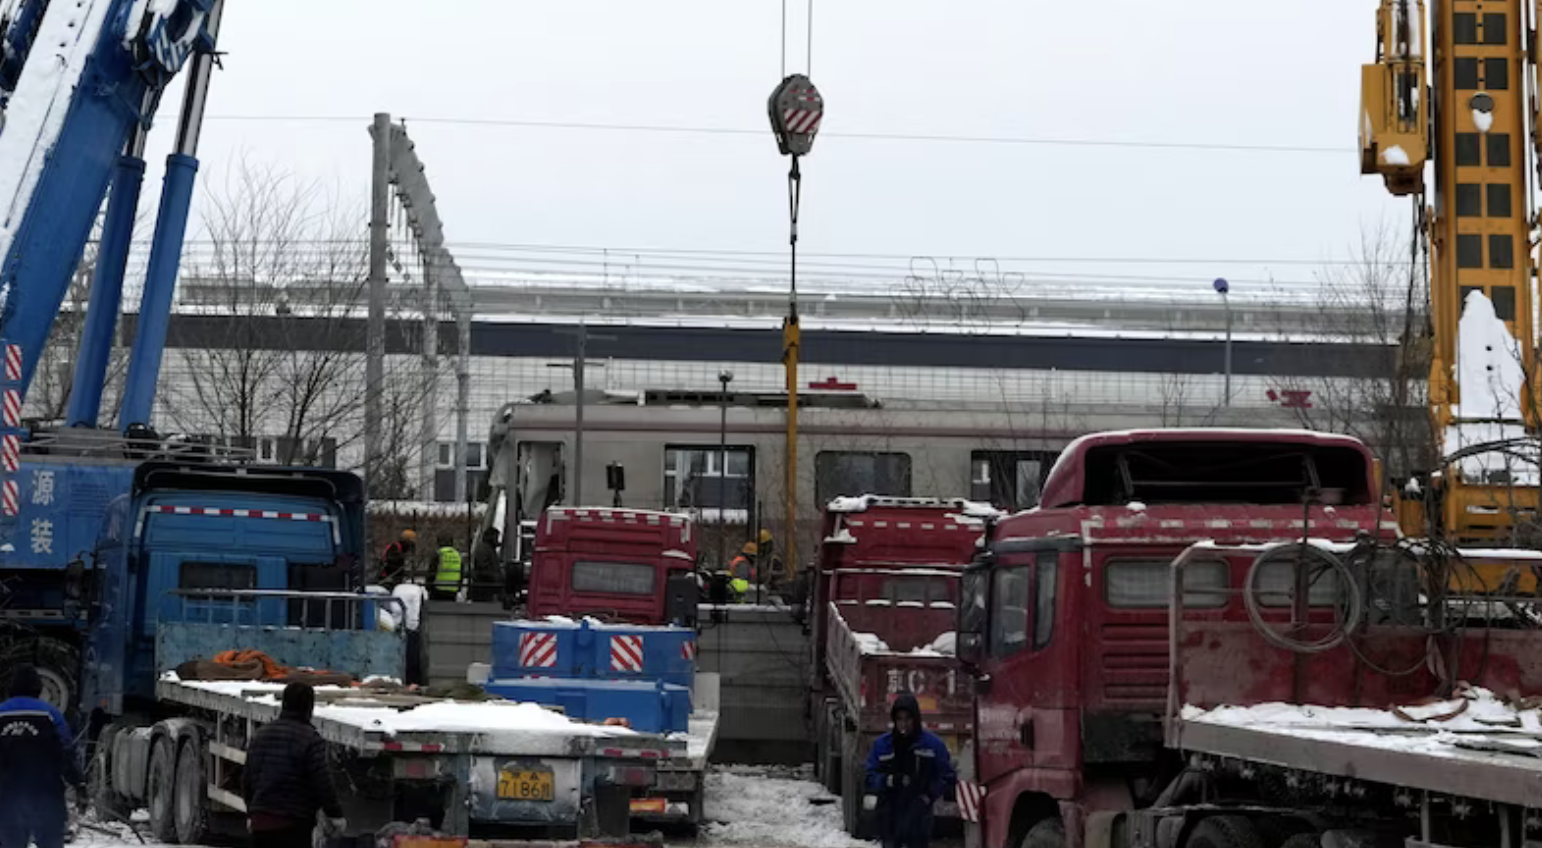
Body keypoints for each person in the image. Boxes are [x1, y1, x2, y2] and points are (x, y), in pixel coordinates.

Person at [242, 683, 345, 848]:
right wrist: (335, 815)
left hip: (261, 823)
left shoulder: (260, 735)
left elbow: (247, 779)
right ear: (309, 707)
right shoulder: (311, 739)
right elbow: (322, 781)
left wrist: (251, 813)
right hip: (294, 823)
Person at [0, 665, 83, 848]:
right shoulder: (51, 714)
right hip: (47, 797)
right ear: (38, 689)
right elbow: (67, 752)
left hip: (7, 799)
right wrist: (78, 783)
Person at [865, 692, 955, 848]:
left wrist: (928, 796)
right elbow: (869, 776)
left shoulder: (932, 745)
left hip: (919, 816)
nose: (904, 724)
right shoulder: (882, 745)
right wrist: (889, 781)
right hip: (890, 815)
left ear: (916, 719)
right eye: (899, 719)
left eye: (908, 719)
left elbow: (947, 777)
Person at [470, 527, 502, 603]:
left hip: (487, 586)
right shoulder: (484, 549)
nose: (497, 539)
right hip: (484, 587)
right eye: (496, 537)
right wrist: (494, 576)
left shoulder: (489, 549)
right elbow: (483, 566)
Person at [430, 532, 462, 602]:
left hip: (438, 590)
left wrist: (428, 587)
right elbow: (461, 573)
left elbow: (431, 572)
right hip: (453, 590)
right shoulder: (458, 555)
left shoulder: (438, 554)